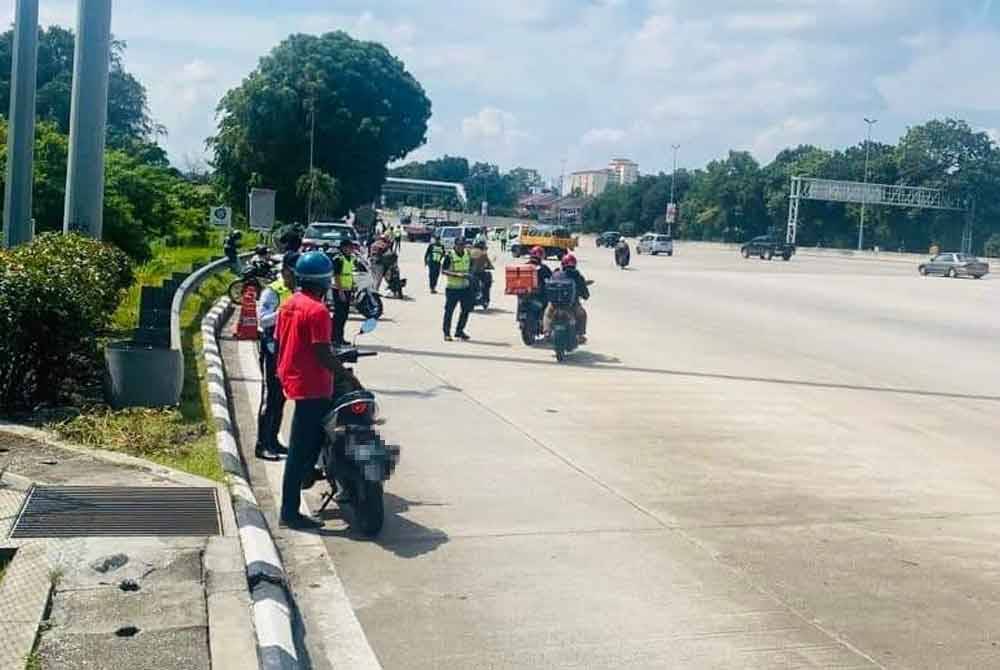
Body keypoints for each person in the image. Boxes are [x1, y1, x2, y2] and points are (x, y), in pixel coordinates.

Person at [275, 251, 340, 530]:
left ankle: (308, 473)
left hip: (293, 379)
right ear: (324, 281)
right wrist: (346, 374)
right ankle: (289, 512)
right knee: (299, 451)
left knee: (310, 441)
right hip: (313, 385)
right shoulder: (318, 310)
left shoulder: (289, 304)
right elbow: (322, 352)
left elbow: (281, 339)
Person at [255, 252, 299, 460]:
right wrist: (286, 311)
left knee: (281, 397)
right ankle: (262, 444)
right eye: (295, 271)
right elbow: (262, 320)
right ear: (286, 270)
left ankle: (273, 440)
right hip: (272, 349)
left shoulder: (296, 290)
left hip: (288, 350)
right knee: (271, 397)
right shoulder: (272, 291)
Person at [544, 253, 590, 343]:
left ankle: (546, 332)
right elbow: (585, 294)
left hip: (555, 304)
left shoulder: (556, 274)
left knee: (547, 314)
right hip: (572, 304)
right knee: (582, 314)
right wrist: (585, 295)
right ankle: (580, 334)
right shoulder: (578, 276)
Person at [441, 237, 474, 341]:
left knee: (466, 310)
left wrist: (470, 274)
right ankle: (446, 333)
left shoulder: (467, 255)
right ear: (454, 245)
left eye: (463, 245)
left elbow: (471, 267)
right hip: (452, 289)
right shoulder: (449, 256)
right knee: (449, 311)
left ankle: (459, 331)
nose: (461, 247)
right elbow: (443, 271)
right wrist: (457, 275)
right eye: (459, 245)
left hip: (465, 288)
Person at [330, 239, 356, 347]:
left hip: (347, 289)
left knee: (344, 315)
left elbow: (349, 273)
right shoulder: (338, 259)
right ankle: (334, 338)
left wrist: (353, 285)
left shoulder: (350, 258)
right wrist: (340, 291)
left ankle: (340, 337)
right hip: (339, 290)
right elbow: (336, 276)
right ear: (344, 248)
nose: (352, 249)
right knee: (339, 315)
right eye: (350, 247)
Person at [469, 239, 494, 304]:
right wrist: (491, 267)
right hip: (480, 272)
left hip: (471, 273)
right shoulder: (483, 253)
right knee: (487, 284)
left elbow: (469, 262)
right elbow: (489, 263)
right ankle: (485, 298)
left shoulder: (470, 252)